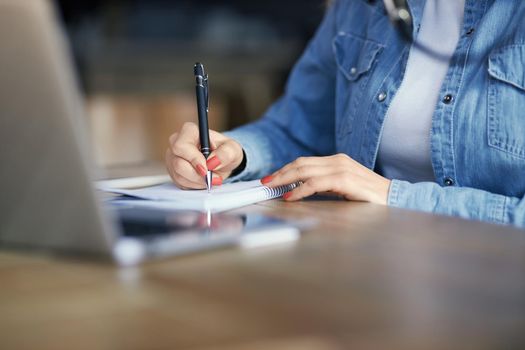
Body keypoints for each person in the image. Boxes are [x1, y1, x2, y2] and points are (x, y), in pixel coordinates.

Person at [166, 0, 525, 228]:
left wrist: (391, 195)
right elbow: (300, 129)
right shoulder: (363, 7)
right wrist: (237, 153)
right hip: (364, 260)